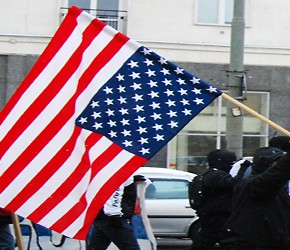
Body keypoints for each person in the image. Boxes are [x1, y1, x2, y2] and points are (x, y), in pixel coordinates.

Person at [222, 146, 290, 249]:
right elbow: (275, 175)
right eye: (275, 164)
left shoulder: (280, 190)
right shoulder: (250, 185)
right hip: (250, 245)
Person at [190, 149, 249, 250]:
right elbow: (233, 184)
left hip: (212, 215)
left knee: (206, 241)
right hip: (218, 216)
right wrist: (243, 169)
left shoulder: (208, 174)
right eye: (230, 162)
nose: (231, 165)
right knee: (220, 242)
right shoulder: (216, 175)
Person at [86, 175, 144, 250]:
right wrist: (114, 215)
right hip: (112, 217)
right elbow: (113, 193)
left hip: (103, 216)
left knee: (96, 247)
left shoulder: (118, 171)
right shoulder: (119, 172)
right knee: (131, 247)